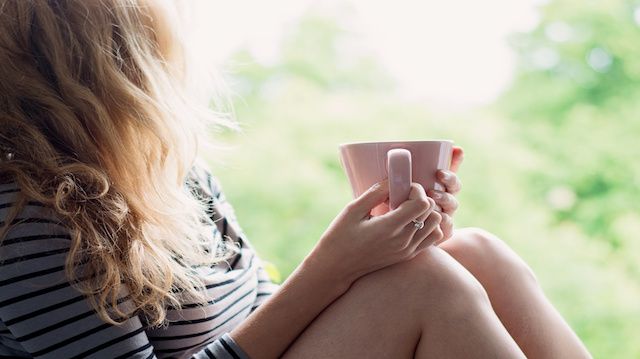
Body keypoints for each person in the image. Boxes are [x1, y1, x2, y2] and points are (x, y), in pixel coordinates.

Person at [0, 1, 592, 358]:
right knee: (427, 285)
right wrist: (334, 267)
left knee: (471, 252)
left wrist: (379, 245)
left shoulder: (166, 170)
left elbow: (258, 313)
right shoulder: (27, 218)